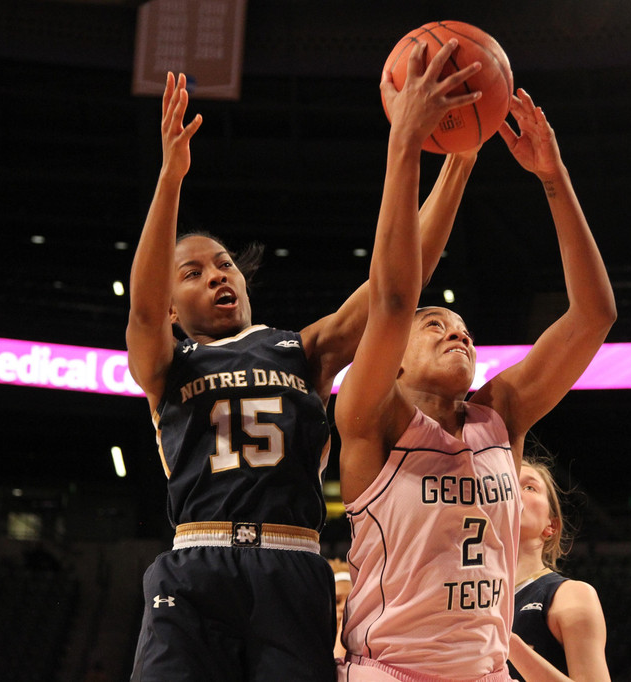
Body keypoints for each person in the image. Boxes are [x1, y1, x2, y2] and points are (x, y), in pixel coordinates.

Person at [125, 71, 478, 681]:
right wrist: (170, 178)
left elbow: (398, 283)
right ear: (172, 307)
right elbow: (142, 311)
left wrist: (459, 162)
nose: (217, 274)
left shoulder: (302, 350)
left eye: (224, 264)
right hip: (197, 559)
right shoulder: (166, 363)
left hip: (291, 561)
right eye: (192, 273)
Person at [335, 40, 617, 682]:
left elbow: (594, 316)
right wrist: (406, 145)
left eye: (463, 330)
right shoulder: (370, 416)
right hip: (391, 672)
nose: (457, 334)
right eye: (435, 326)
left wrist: (553, 177)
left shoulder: (501, 415)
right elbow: (394, 298)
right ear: (393, 360)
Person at [507, 458, 610, 682]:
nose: (513, 491)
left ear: (551, 525)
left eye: (529, 487)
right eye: (506, 483)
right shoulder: (467, 600)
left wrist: (508, 642)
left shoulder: (570, 595)